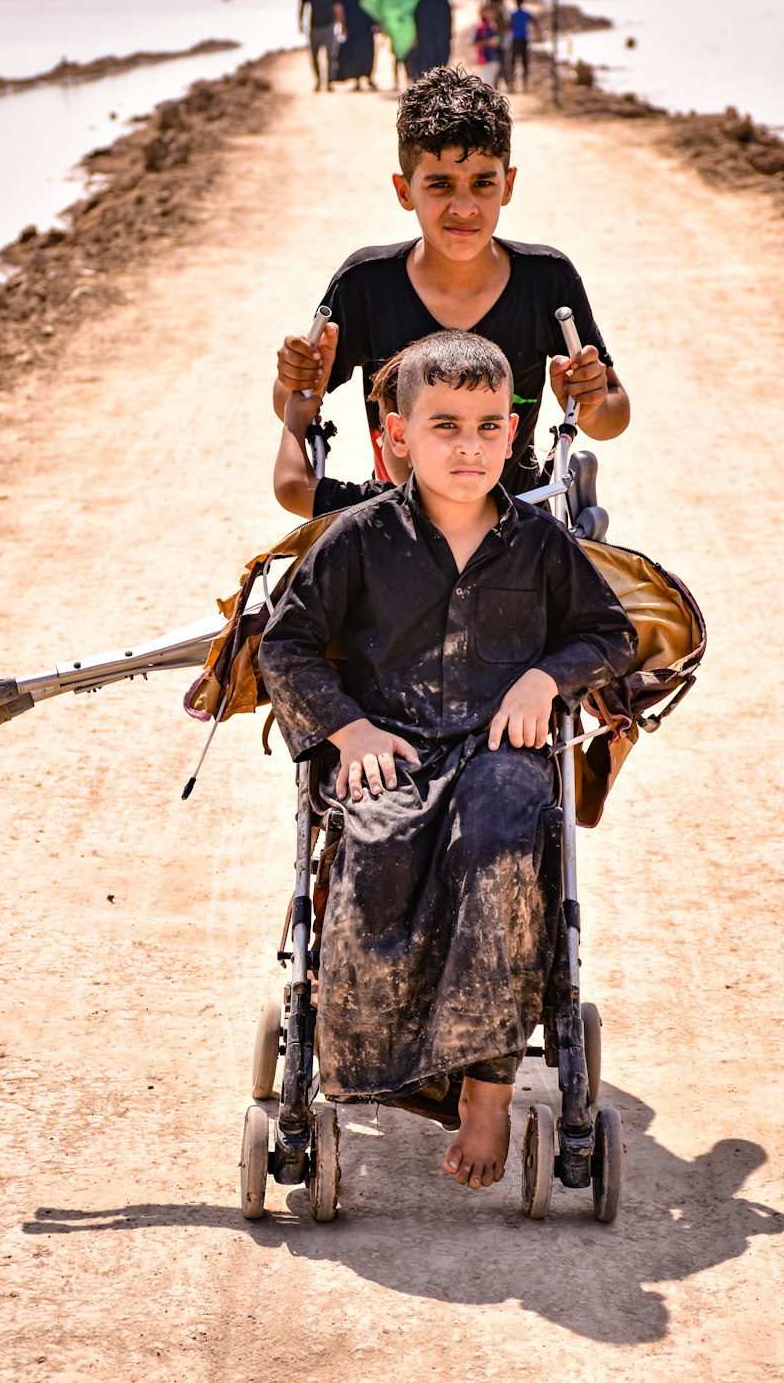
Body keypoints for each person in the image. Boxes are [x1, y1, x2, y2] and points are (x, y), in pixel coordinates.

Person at [259, 331, 636, 1189]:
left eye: (488, 426)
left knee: (504, 839)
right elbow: (290, 649)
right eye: (444, 426)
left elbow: (607, 634)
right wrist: (347, 731)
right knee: (381, 845)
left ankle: (488, 1088)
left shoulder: (540, 544)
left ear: (514, 434)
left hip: (500, 752)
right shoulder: (357, 539)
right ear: (397, 436)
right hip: (391, 744)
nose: (468, 447)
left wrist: (546, 676)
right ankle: (396, 1062)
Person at [272, 64, 629, 497]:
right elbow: (293, 401)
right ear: (405, 191)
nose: (464, 206)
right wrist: (298, 376)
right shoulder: (364, 285)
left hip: (518, 521)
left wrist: (589, 402)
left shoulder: (548, 281)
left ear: (508, 185)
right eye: (440, 184)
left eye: (482, 183)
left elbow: (613, 415)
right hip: (397, 523)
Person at [273, 354, 409, 518]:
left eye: (383, 429)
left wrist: (294, 422)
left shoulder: (388, 508)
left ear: (399, 437)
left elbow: (293, 488)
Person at [299, 0, 343, 92]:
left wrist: (339, 24)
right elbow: (303, 5)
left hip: (329, 26)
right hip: (315, 26)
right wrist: (301, 22)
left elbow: (337, 7)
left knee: (331, 56)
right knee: (314, 56)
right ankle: (318, 80)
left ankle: (329, 82)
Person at [335, 0, 377, 91]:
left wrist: (377, 23)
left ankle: (368, 78)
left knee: (368, 54)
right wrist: (343, 27)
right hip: (352, 29)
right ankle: (357, 80)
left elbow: (374, 8)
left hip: (366, 29)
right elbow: (340, 10)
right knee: (354, 55)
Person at [406, 0, 452, 79]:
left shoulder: (423, 0)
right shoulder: (444, 1)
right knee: (440, 66)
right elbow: (448, 21)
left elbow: (417, 17)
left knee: (426, 65)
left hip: (425, 40)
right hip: (441, 41)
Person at [508, 0, 535, 91]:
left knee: (513, 63)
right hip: (523, 40)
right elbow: (534, 22)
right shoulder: (526, 13)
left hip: (515, 39)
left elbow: (508, 26)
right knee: (524, 63)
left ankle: (512, 85)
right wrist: (538, 34)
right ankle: (525, 85)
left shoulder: (513, 13)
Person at [472, 2, 502, 88]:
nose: (491, 14)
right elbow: (474, 42)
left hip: (493, 59)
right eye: (488, 11)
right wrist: (489, 42)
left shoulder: (492, 26)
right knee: (486, 86)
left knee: (489, 86)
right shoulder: (480, 27)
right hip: (485, 59)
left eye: (492, 12)